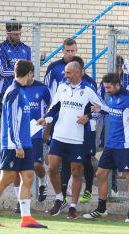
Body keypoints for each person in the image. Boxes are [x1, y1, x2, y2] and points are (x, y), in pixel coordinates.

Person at [0, 60, 47, 228]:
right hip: (14, 144)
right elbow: (11, 121)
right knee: (7, 177)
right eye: (33, 73)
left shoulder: (20, 91)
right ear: (30, 73)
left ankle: (26, 218)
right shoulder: (14, 92)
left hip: (25, 143)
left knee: (28, 176)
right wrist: (17, 144)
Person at [38, 61, 107, 219]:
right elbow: (54, 108)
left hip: (77, 139)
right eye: (65, 72)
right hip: (59, 136)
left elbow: (101, 109)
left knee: (76, 172)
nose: (65, 75)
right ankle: (59, 199)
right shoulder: (62, 87)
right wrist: (46, 119)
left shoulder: (88, 90)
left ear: (77, 73)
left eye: (68, 72)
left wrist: (87, 117)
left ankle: (73, 206)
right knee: (51, 168)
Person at [83, 73, 129, 223]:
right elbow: (112, 111)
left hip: (126, 144)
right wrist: (100, 109)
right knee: (100, 174)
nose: (106, 90)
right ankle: (101, 209)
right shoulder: (111, 97)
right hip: (111, 144)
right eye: (105, 87)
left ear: (117, 85)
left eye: (109, 87)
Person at [0, 19, 31, 172]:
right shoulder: (1, 48)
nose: (18, 36)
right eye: (15, 34)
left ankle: (22, 155)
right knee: (1, 126)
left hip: (23, 92)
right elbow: (1, 71)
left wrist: (17, 71)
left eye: (19, 33)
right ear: (8, 33)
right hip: (4, 92)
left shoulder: (26, 49)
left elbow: (28, 71)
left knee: (23, 123)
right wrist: (19, 71)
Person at [43, 38, 78, 210]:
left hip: (73, 119)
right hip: (55, 117)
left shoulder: (78, 68)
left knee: (72, 156)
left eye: (73, 51)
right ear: (62, 51)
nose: (70, 54)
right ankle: (53, 188)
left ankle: (68, 187)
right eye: (67, 51)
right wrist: (48, 113)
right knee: (52, 156)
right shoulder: (53, 68)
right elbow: (46, 91)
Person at [13, 77, 52, 213]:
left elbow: (51, 108)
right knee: (17, 171)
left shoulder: (42, 88)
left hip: (36, 133)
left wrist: (47, 130)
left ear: (30, 74)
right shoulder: (15, 88)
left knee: (35, 165)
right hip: (18, 134)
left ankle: (43, 182)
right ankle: (19, 201)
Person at [98, 55, 129, 196]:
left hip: (122, 119)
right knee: (104, 151)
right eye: (115, 66)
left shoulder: (127, 79)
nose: (117, 69)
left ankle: (117, 184)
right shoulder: (104, 82)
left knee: (120, 156)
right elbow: (100, 98)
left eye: (118, 66)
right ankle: (113, 185)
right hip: (109, 118)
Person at [70, 56, 98, 203]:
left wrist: (88, 116)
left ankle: (88, 189)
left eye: (74, 71)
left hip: (87, 128)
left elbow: (99, 107)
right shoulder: (66, 83)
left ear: (80, 70)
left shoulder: (90, 84)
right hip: (70, 128)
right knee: (68, 159)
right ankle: (64, 191)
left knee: (87, 158)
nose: (71, 74)